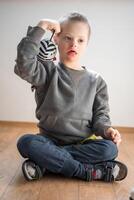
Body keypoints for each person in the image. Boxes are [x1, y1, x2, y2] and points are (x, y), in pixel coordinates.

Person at [14, 12, 128, 182]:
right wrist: (42, 26)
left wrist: (107, 130)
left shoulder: (96, 81)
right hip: (49, 141)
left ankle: (46, 164)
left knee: (109, 149)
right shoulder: (46, 72)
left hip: (81, 144)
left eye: (80, 40)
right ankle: (84, 171)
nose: (74, 43)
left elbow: (100, 116)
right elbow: (24, 65)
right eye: (68, 37)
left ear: (86, 44)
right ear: (56, 40)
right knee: (26, 142)